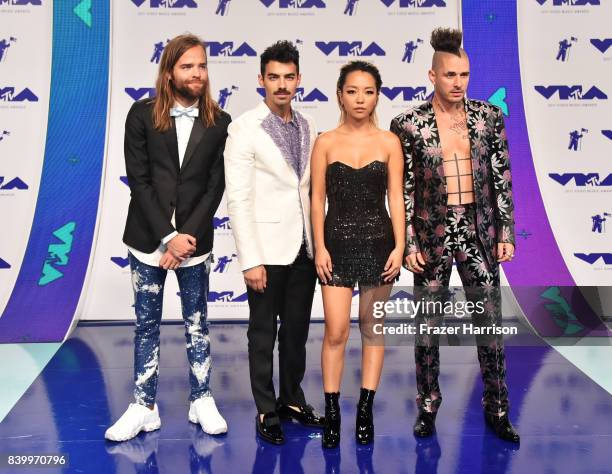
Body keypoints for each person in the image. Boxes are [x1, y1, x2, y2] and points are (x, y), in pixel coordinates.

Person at [390, 27, 520, 443]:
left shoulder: (487, 118)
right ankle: (428, 407)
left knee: (490, 323)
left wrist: (507, 232)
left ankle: (497, 407)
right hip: (431, 236)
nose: (459, 83)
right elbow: (403, 189)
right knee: (427, 326)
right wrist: (408, 242)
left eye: (464, 75)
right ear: (433, 76)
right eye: (450, 75)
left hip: (478, 232)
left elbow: (501, 177)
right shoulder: (408, 124)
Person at [105, 34, 231, 442]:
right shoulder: (140, 115)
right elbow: (139, 183)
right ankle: (143, 406)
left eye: (202, 66)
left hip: (193, 244)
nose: (196, 73)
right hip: (147, 239)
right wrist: (167, 236)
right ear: (169, 72)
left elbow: (215, 188)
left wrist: (185, 237)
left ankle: (202, 399)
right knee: (146, 325)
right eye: (187, 66)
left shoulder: (220, 122)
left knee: (197, 323)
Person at [224, 40, 324, 446]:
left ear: (298, 79)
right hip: (265, 250)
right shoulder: (243, 128)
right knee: (262, 332)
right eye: (273, 78)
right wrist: (250, 259)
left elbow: (310, 189)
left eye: (288, 77)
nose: (281, 85)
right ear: (261, 80)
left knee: (297, 331)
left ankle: (292, 399)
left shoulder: (308, 125)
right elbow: (239, 198)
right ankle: (266, 408)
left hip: (305, 248)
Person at [311, 61, 405, 449]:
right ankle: (332, 412)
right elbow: (317, 201)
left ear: (377, 95)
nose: (360, 98)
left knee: (372, 328)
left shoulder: (389, 143)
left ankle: (365, 409)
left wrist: (401, 246)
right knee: (335, 331)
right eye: (352, 91)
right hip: (334, 245)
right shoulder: (325, 142)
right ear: (340, 95)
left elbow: (396, 198)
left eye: (368, 91)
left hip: (379, 244)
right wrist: (319, 246)